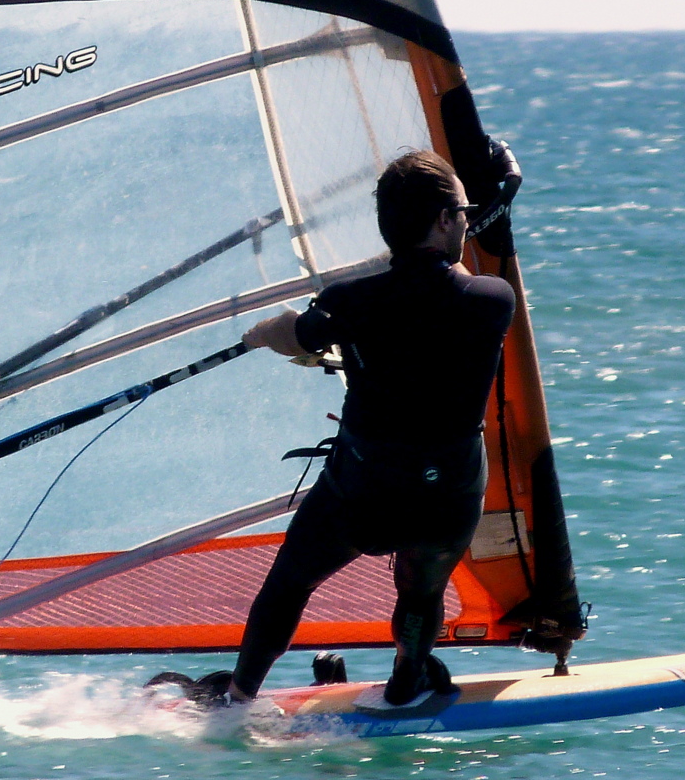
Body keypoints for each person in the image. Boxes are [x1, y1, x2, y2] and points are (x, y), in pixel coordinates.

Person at [212, 149, 516, 707]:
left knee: (291, 582)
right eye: (462, 212)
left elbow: (295, 334)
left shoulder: (350, 302)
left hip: (363, 492)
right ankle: (406, 679)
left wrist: (259, 334)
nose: (468, 221)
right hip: (446, 498)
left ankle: (238, 697)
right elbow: (436, 290)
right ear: (444, 220)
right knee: (422, 592)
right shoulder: (492, 300)